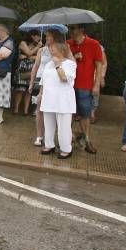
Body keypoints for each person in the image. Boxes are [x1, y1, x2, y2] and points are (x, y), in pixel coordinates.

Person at [68, 24, 104, 154]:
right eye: (70, 28)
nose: (71, 31)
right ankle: (68, 139)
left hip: (85, 85)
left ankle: (87, 140)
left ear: (81, 29)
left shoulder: (94, 44)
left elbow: (99, 65)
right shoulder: (67, 44)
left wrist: (96, 84)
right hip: (69, 85)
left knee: (85, 115)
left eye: (73, 28)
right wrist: (73, 57)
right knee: (69, 114)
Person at [40, 41, 77, 159]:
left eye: (53, 48)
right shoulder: (48, 64)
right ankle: (49, 145)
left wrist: (57, 65)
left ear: (61, 50)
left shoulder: (70, 64)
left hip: (63, 100)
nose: (50, 50)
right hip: (49, 98)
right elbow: (43, 80)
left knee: (64, 126)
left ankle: (66, 148)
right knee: (48, 123)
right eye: (50, 48)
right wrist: (40, 93)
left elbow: (64, 78)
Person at [28, 29, 63, 147]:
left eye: (49, 36)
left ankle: (51, 137)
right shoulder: (41, 50)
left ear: (55, 38)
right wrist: (32, 82)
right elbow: (35, 67)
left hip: (53, 83)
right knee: (39, 110)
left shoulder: (60, 50)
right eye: (46, 36)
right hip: (40, 81)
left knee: (52, 111)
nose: (47, 38)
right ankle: (39, 136)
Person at [12, 30, 41, 115]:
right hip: (22, 69)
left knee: (29, 90)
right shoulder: (23, 43)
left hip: (32, 69)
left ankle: (26, 110)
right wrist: (37, 48)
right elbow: (28, 52)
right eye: (38, 36)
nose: (39, 38)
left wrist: (28, 56)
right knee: (20, 89)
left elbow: (39, 57)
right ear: (33, 36)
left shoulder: (38, 45)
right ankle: (16, 109)